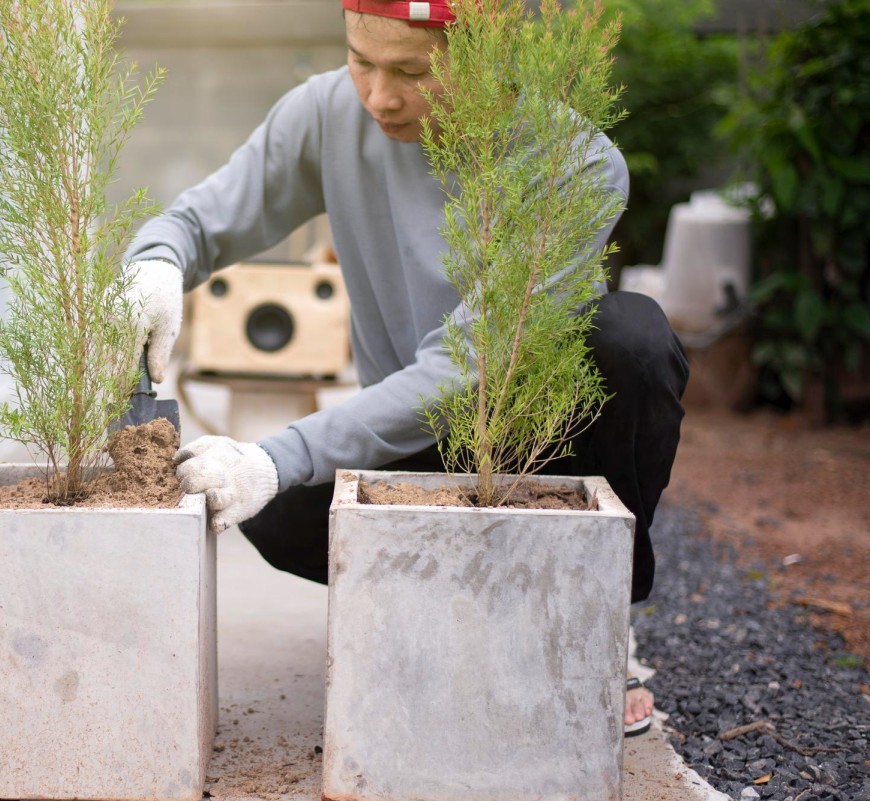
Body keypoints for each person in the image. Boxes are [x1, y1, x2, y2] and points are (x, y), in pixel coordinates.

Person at [124, 0, 688, 738]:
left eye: (412, 71)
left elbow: (473, 364)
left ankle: (590, 620)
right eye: (361, 59)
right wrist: (156, 264)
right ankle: (469, 607)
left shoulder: (574, 165)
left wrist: (277, 452)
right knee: (267, 508)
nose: (378, 96)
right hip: (410, 443)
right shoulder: (330, 112)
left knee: (632, 337)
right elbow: (203, 218)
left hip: (542, 448)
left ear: (490, 56)